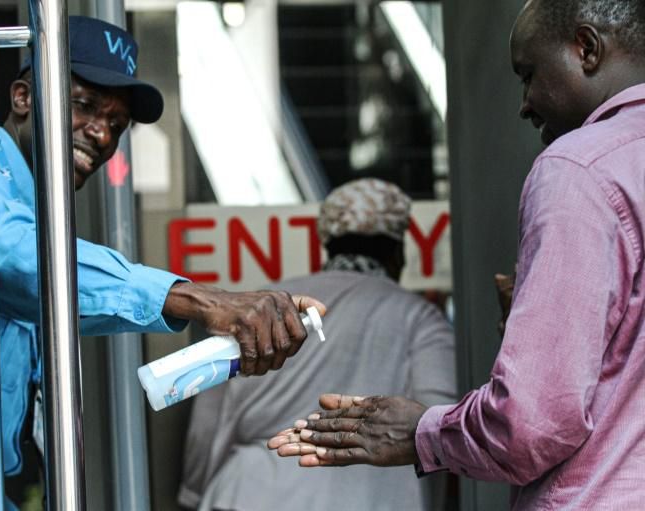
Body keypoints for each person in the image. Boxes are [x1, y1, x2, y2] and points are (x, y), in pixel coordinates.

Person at [268, 0, 645, 508]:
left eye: (528, 75)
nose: (525, 103)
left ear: (587, 48)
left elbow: (530, 422)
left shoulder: (577, 169)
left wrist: (417, 432)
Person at [0, 16, 325, 508]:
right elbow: (13, 259)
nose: (101, 134)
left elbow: (58, 295)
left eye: (116, 124)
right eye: (83, 106)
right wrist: (204, 300)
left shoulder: (32, 204)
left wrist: (201, 307)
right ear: (24, 97)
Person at [178, 179, 457, 511]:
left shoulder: (263, 304)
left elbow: (208, 419)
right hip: (371, 497)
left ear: (328, 244)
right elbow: (438, 423)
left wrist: (193, 495)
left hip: (249, 494)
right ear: (398, 251)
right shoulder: (418, 317)